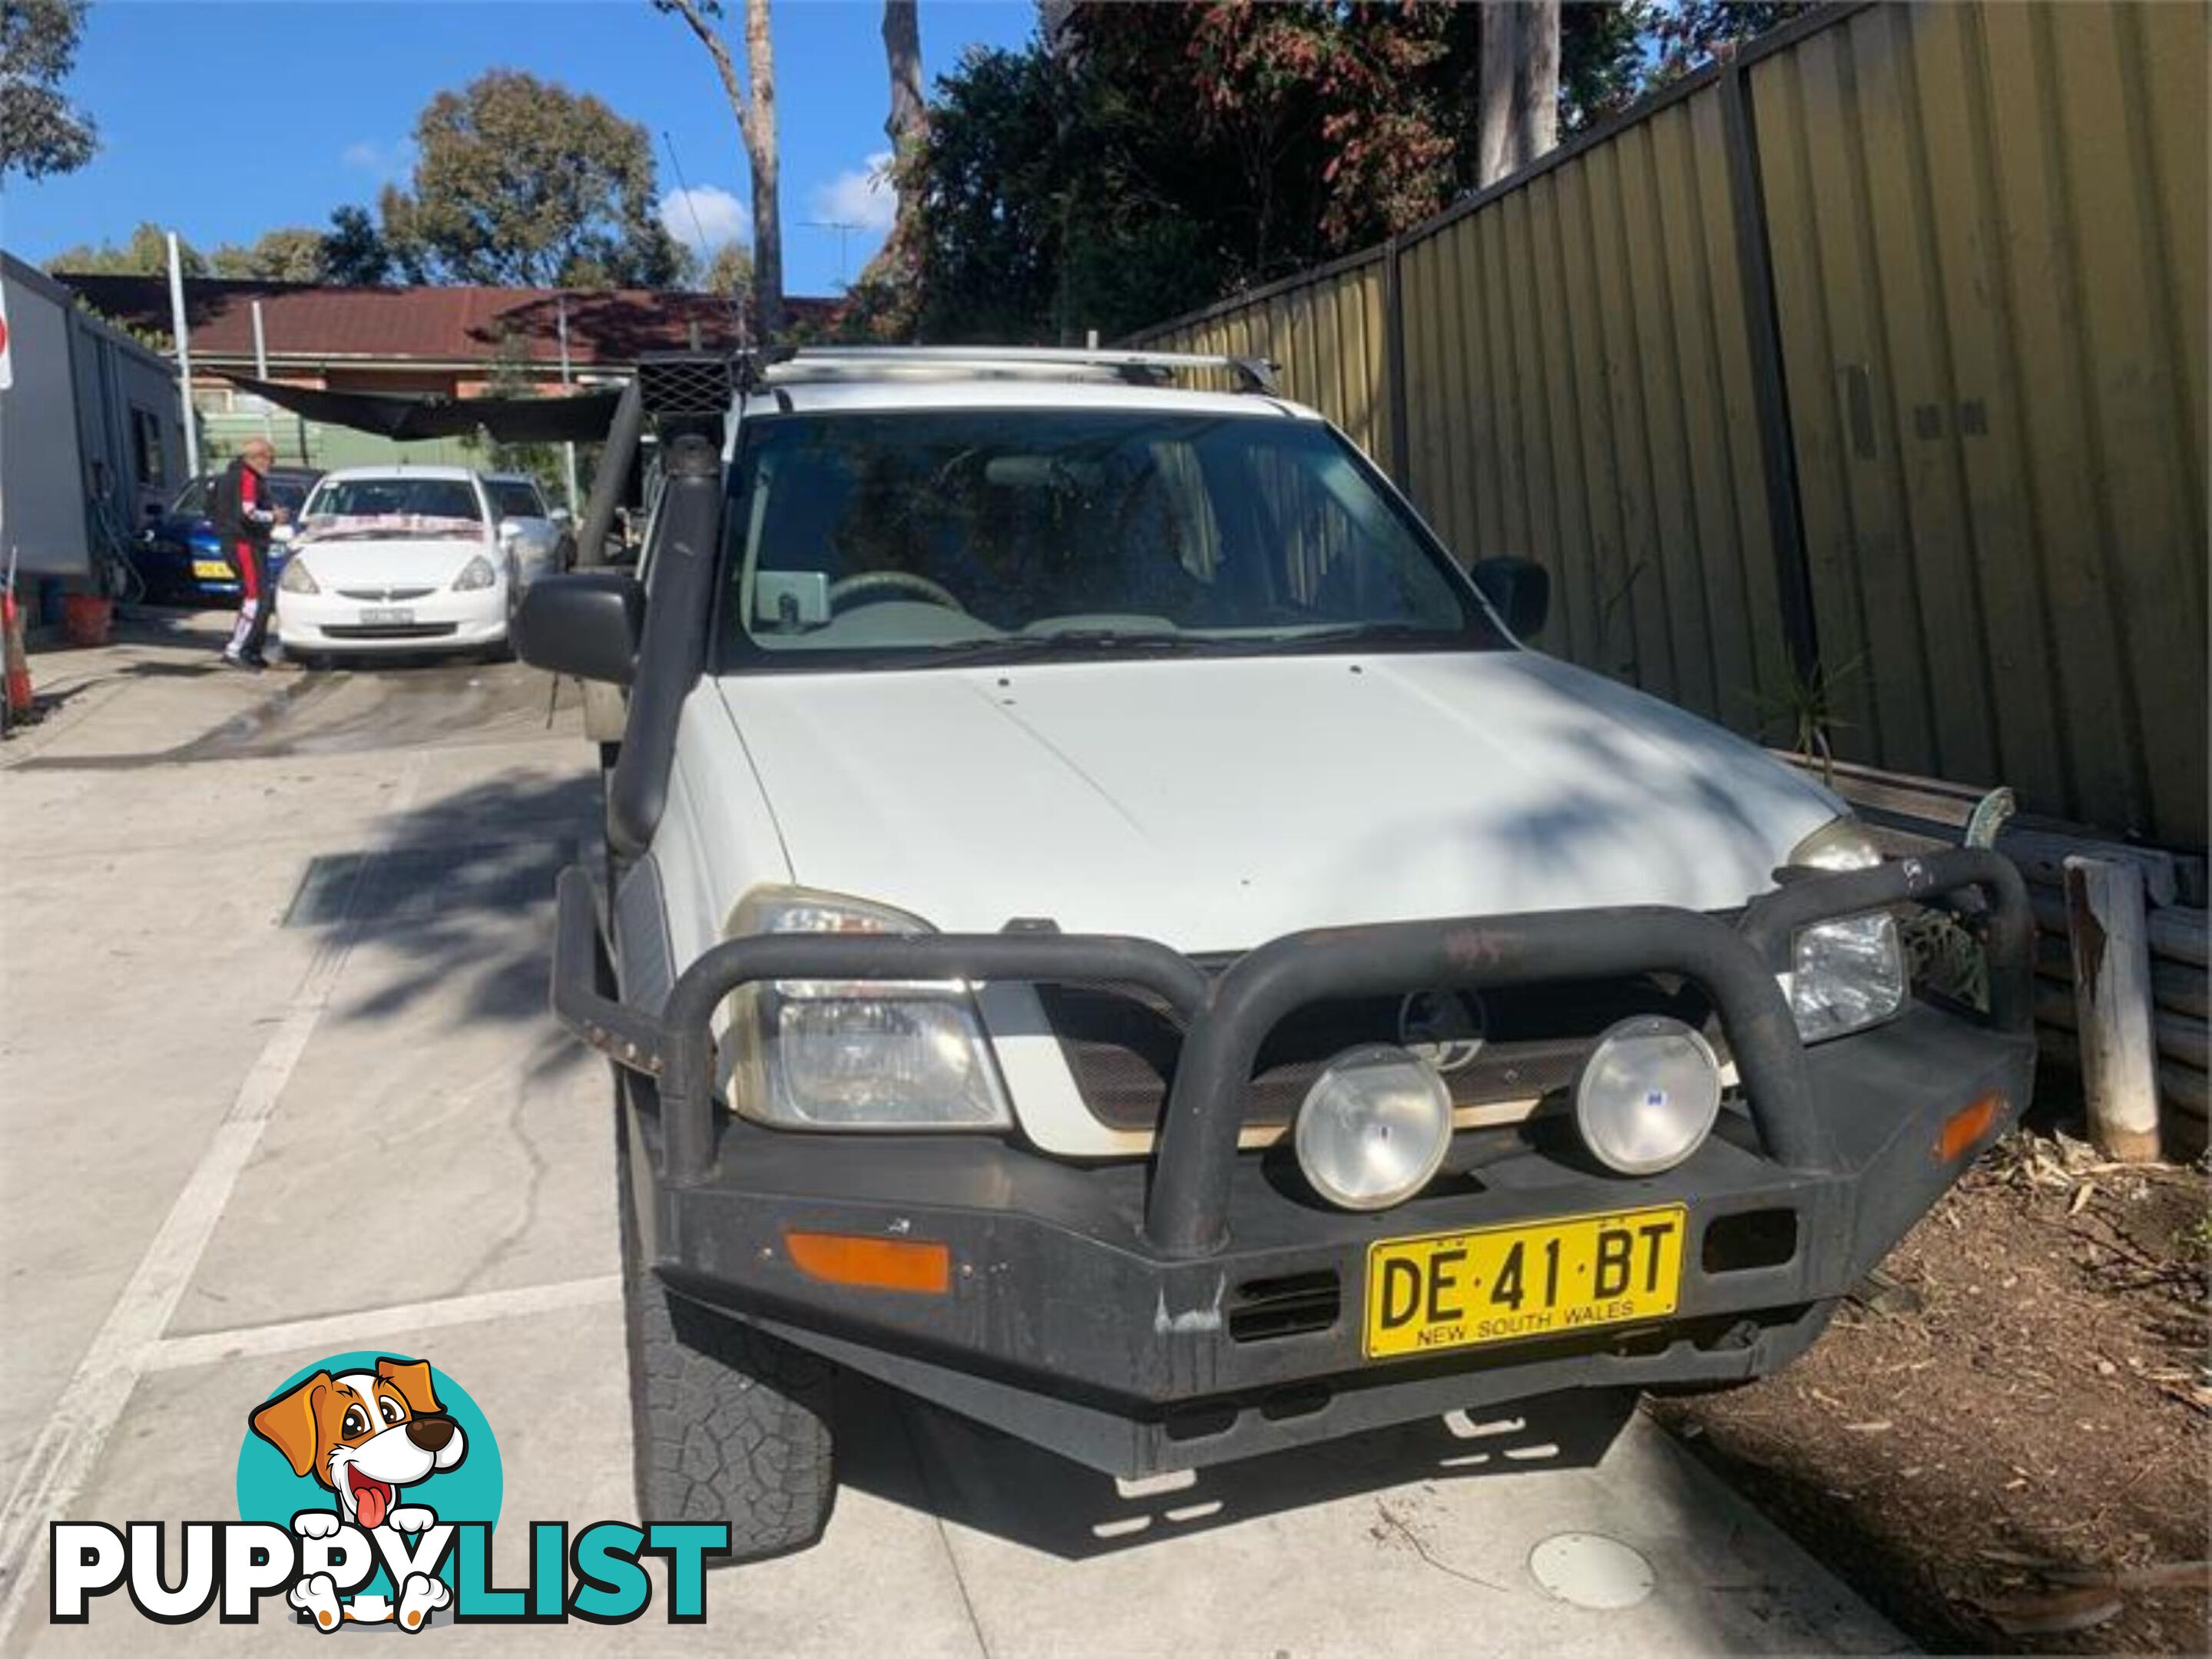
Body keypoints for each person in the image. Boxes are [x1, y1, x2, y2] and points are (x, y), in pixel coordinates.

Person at [211, 439, 286, 670]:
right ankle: (236, 649)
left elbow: (211, 508)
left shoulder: (225, 478)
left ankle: (252, 650)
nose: (270, 464)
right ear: (258, 457)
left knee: (260, 598)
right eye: (270, 459)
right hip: (245, 543)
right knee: (255, 598)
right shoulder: (247, 477)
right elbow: (249, 513)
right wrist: (274, 517)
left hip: (235, 541)